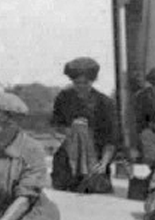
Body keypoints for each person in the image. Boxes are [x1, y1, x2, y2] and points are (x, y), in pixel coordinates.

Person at [50, 56, 120, 194]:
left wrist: (104, 163)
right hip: (69, 151)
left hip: (95, 153)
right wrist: (72, 130)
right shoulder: (63, 98)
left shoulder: (105, 103)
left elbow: (111, 139)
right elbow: (56, 125)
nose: (81, 86)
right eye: (77, 83)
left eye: (85, 82)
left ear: (93, 81)